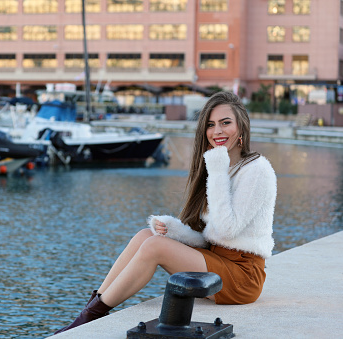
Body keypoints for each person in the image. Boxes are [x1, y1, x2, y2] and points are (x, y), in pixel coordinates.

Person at [54, 91, 277, 335]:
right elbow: (212, 237)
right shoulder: (223, 168)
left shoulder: (256, 169)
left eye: (226, 123)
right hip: (218, 260)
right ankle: (88, 313)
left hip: (242, 275)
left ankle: (89, 318)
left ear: (241, 126)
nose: (217, 132)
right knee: (145, 237)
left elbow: (227, 229)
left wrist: (216, 168)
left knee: (155, 248)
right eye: (211, 125)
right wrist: (175, 231)